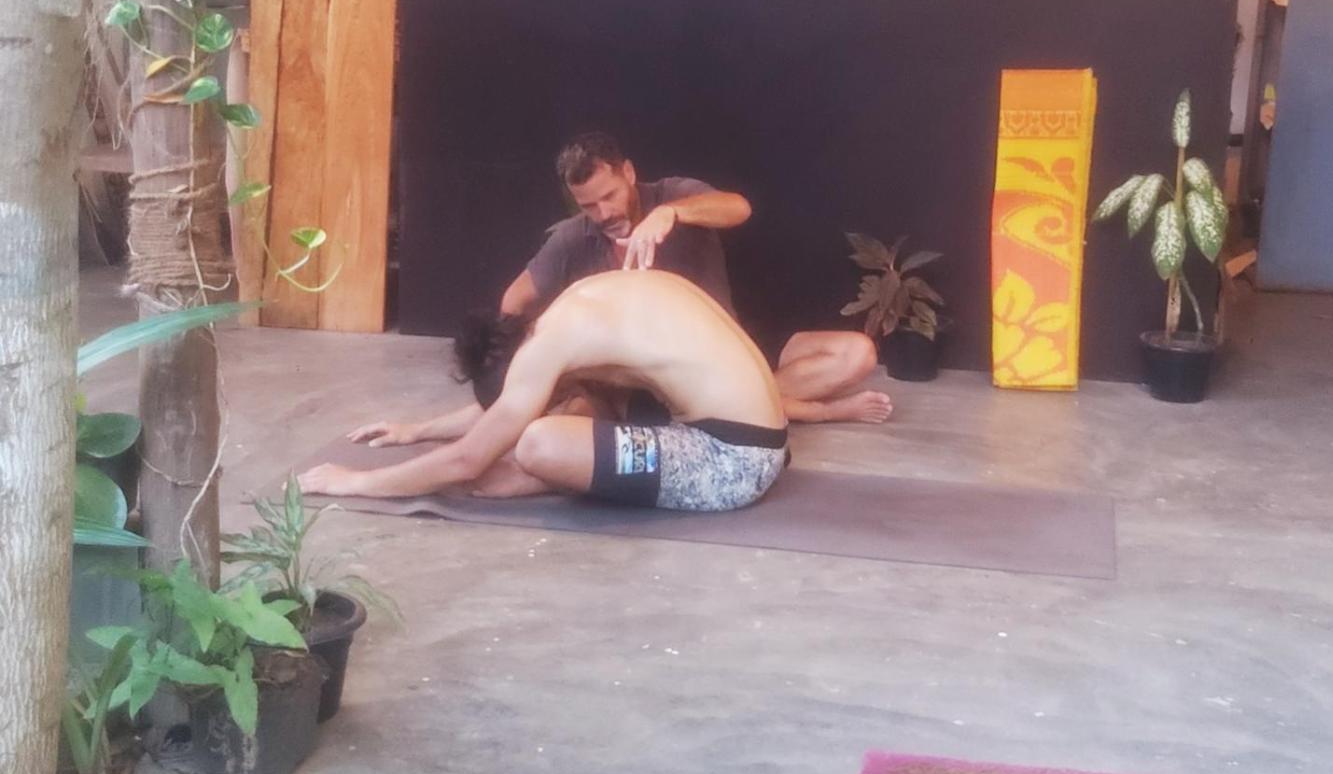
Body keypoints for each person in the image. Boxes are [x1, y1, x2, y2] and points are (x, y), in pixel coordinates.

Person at [300, 270, 788, 512]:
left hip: (733, 464)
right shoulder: (575, 306)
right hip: (758, 437)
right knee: (586, 403)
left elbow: (467, 460)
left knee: (539, 443)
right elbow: (512, 403)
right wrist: (418, 430)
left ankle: (542, 476)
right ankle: (554, 472)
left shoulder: (550, 346)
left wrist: (355, 483)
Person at [498, 132, 891, 425]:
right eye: (589, 205)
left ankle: (756, 404)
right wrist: (546, 357)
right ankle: (799, 410)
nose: (603, 213)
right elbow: (513, 302)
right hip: (659, 379)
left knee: (857, 353)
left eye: (610, 196)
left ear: (629, 173)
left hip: (730, 345)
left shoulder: (672, 194)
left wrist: (671, 214)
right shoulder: (573, 238)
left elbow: (738, 207)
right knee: (587, 414)